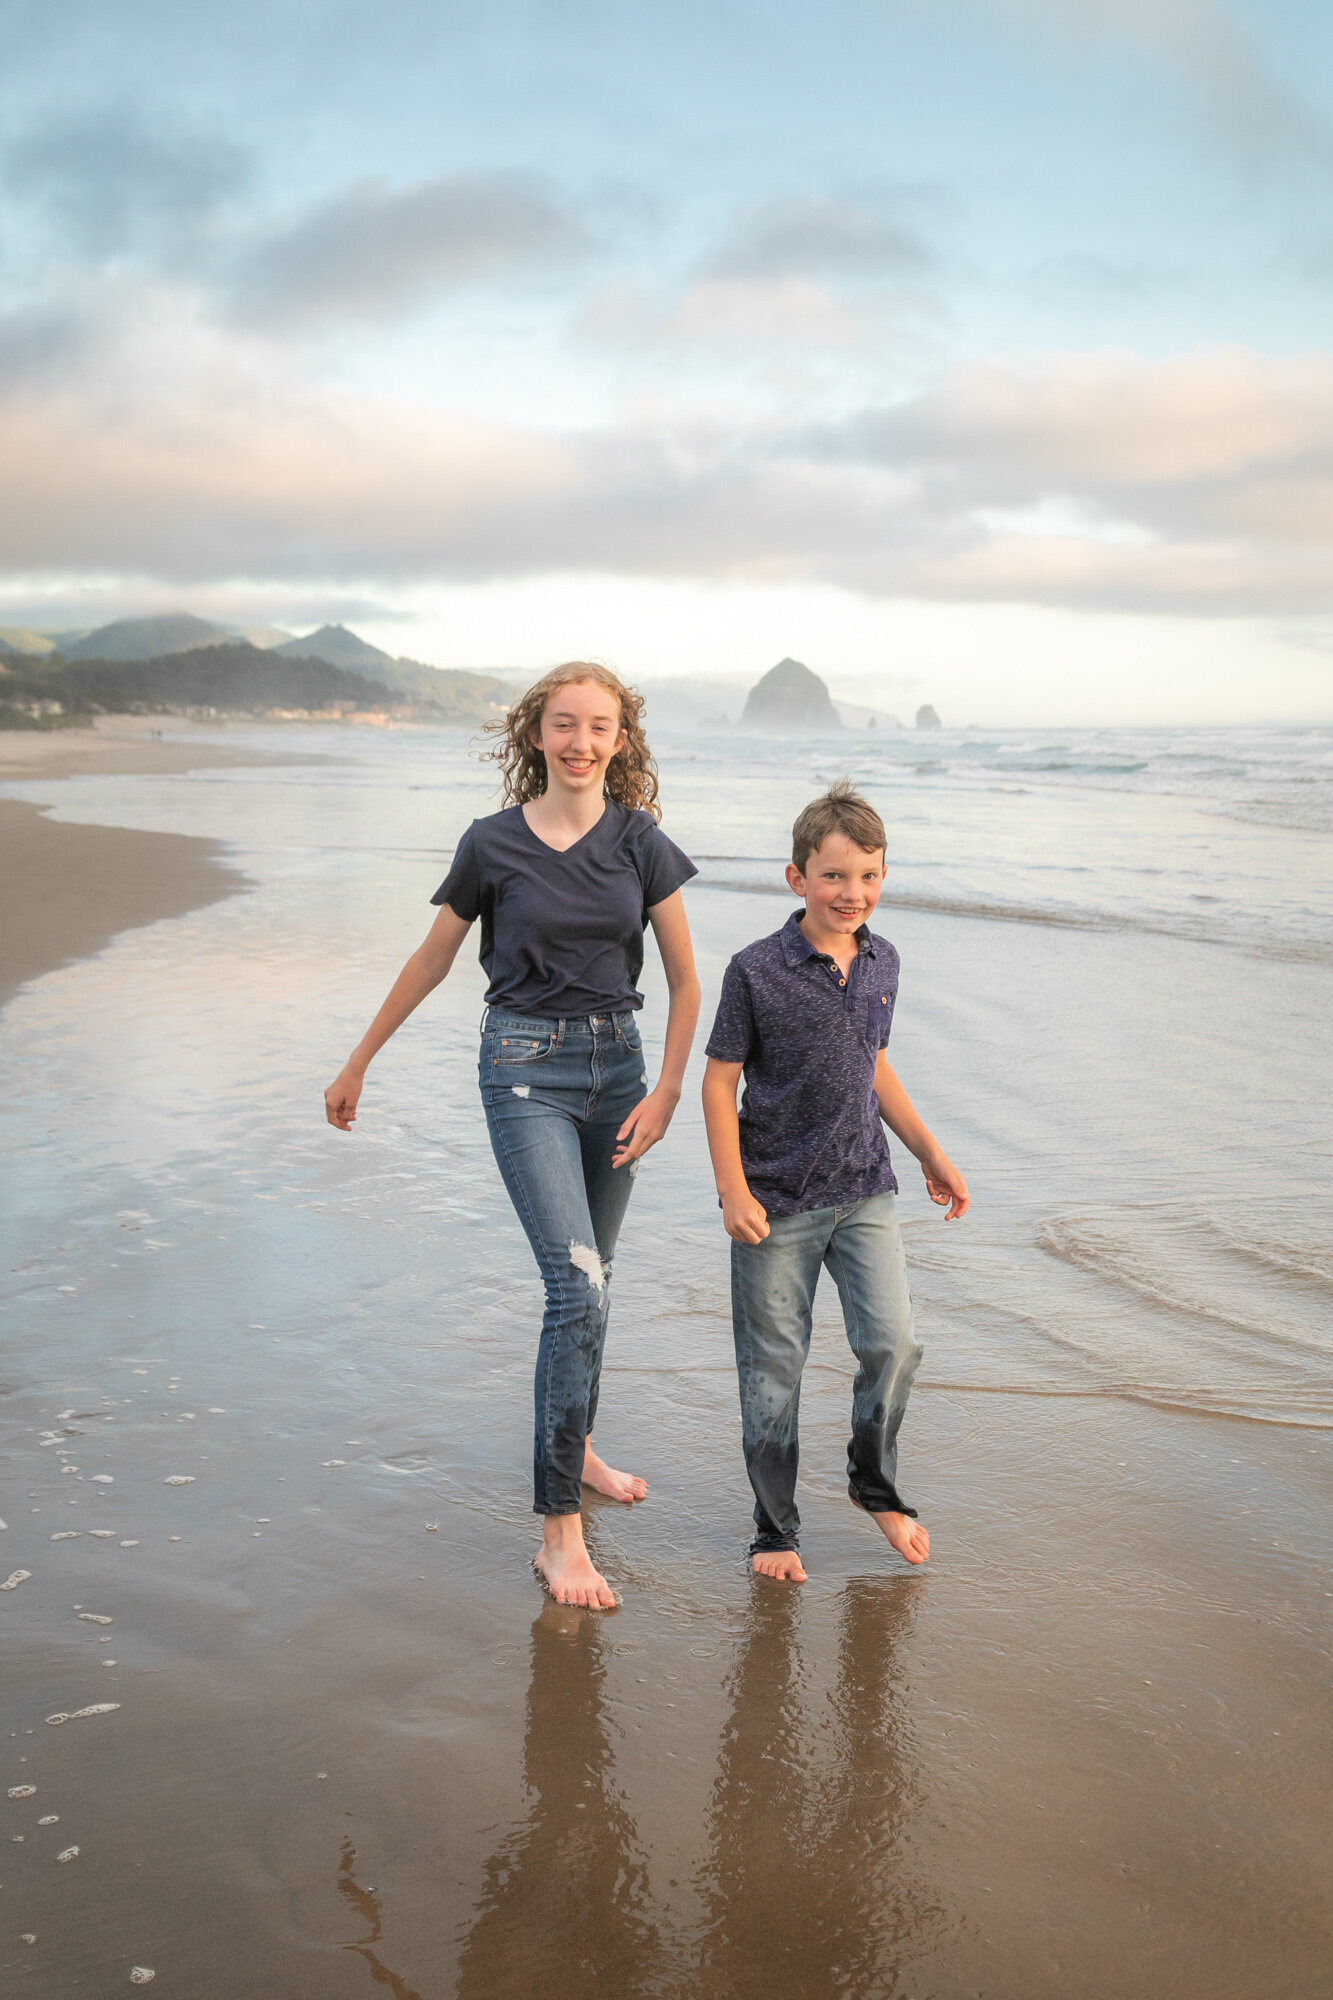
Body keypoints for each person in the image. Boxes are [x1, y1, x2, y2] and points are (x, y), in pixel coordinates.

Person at [325, 663, 701, 1610]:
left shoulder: (640, 841)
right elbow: (434, 956)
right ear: (535, 734)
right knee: (573, 1287)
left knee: (595, 1285)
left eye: (600, 727)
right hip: (524, 1071)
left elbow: (688, 979)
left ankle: (575, 1454)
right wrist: (359, 1059)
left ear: (622, 740)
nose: (582, 742)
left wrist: (664, 1091)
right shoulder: (490, 843)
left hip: (618, 1072)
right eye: (564, 724)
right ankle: (558, 1538)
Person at [700, 782, 968, 1582]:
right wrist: (731, 1190)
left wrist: (927, 1150)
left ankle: (872, 1484)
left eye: (870, 877)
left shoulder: (884, 960)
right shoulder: (754, 970)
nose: (853, 894)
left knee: (894, 1343)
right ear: (796, 878)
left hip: (864, 1190)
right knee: (773, 1369)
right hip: (774, 1200)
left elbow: (872, 1064)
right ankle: (773, 1531)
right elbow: (718, 1083)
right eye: (834, 876)